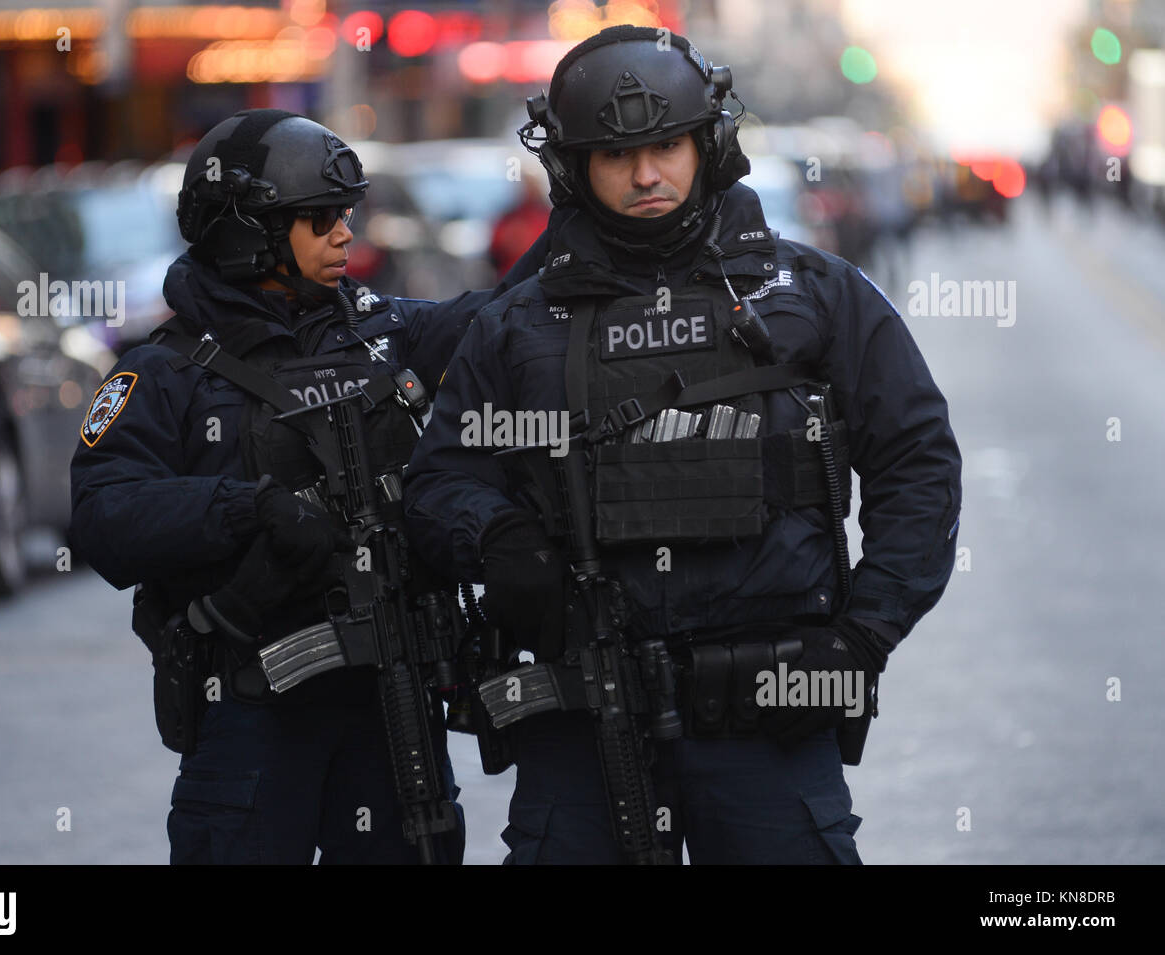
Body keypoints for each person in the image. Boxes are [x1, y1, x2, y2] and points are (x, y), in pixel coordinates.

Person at [402, 26, 963, 864]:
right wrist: (497, 536)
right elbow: (437, 482)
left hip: (769, 718)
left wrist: (863, 635)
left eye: (665, 146)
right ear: (573, 167)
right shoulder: (516, 325)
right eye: (615, 155)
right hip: (583, 719)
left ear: (710, 144)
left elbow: (917, 461)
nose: (645, 175)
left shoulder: (813, 293)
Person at [69, 109, 547, 864]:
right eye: (320, 219)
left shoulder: (384, 333)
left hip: (392, 701)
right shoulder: (165, 372)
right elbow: (104, 516)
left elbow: (510, 309)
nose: (344, 235)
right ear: (249, 233)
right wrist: (247, 509)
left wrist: (583, 189)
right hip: (253, 710)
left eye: (346, 214)